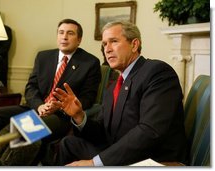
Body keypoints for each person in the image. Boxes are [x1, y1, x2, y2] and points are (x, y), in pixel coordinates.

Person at [53, 21, 188, 166]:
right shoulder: (113, 87)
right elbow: (103, 133)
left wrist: (94, 163)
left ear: (134, 45)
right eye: (104, 44)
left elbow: (150, 131)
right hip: (123, 152)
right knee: (68, 144)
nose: (107, 49)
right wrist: (79, 116)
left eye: (114, 41)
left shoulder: (157, 72)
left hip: (152, 159)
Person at [0, 18, 101, 165]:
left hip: (61, 116)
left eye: (70, 33)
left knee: (24, 127)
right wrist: (39, 106)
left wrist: (60, 105)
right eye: (61, 32)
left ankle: (6, 165)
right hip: (36, 108)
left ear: (79, 40)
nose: (64, 37)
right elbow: (31, 87)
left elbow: (88, 98)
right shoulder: (43, 56)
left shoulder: (89, 63)